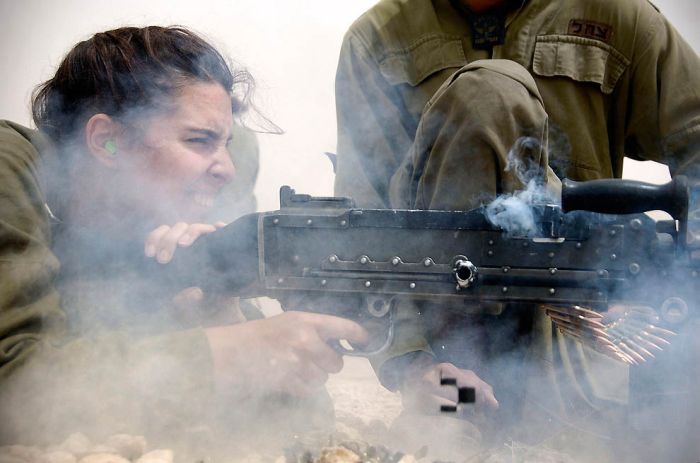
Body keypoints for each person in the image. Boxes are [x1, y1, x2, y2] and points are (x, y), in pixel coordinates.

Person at [334, 0, 700, 461]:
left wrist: (657, 269)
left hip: (581, 354)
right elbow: (363, 233)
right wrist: (413, 365)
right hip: (452, 374)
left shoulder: (617, 18)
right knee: (487, 93)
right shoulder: (379, 40)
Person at [0, 26, 367, 451]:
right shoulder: (11, 165)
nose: (226, 169)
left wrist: (220, 310)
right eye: (199, 141)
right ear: (108, 142)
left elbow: (307, 431)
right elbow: (16, 395)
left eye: (226, 144)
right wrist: (234, 352)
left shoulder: (151, 224)